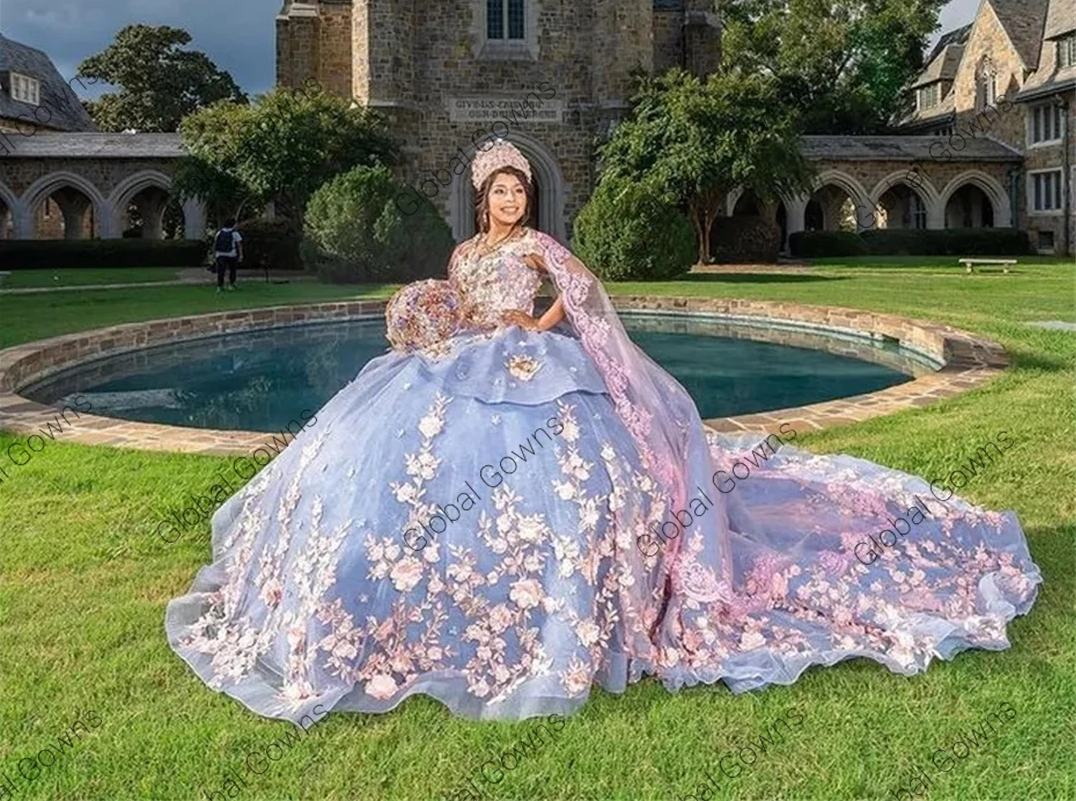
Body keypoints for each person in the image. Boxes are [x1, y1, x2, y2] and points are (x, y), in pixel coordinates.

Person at [166, 139, 1040, 726]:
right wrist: (434, 317)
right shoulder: (465, 254)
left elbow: (583, 298)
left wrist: (537, 333)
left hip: (534, 369)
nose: (510, 198)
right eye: (499, 189)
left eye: (519, 188)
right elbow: (459, 303)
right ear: (481, 195)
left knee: (574, 484)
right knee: (400, 472)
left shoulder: (542, 243)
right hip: (461, 365)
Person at [213, 218, 243, 293]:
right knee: (232, 270)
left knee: (221, 271)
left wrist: (214, 254)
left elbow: (215, 244)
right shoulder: (235, 233)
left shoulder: (219, 232)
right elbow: (239, 245)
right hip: (231, 254)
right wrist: (241, 255)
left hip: (220, 254)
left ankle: (219, 286)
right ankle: (231, 284)